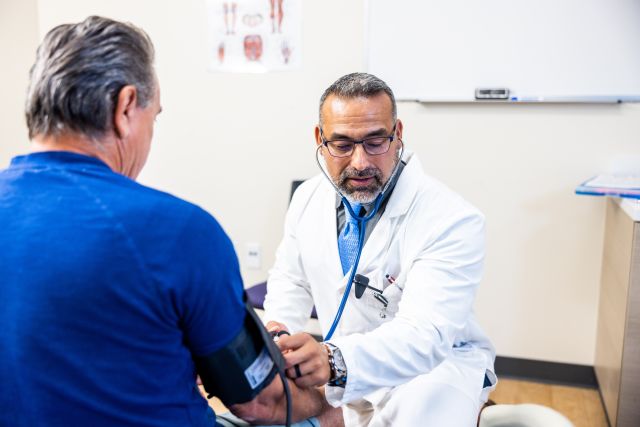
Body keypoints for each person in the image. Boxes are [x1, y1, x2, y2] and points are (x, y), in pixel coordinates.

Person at [0, 16, 325, 427]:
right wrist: (329, 406)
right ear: (125, 108)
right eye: (154, 115)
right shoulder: (179, 232)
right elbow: (260, 402)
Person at [263, 72, 497, 426]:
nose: (360, 162)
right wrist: (279, 333)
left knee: (420, 410)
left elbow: (424, 336)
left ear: (398, 134)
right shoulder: (308, 198)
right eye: (342, 144)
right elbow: (289, 281)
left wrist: (333, 361)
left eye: (375, 142)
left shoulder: (452, 218)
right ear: (320, 139)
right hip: (344, 367)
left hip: (434, 371)